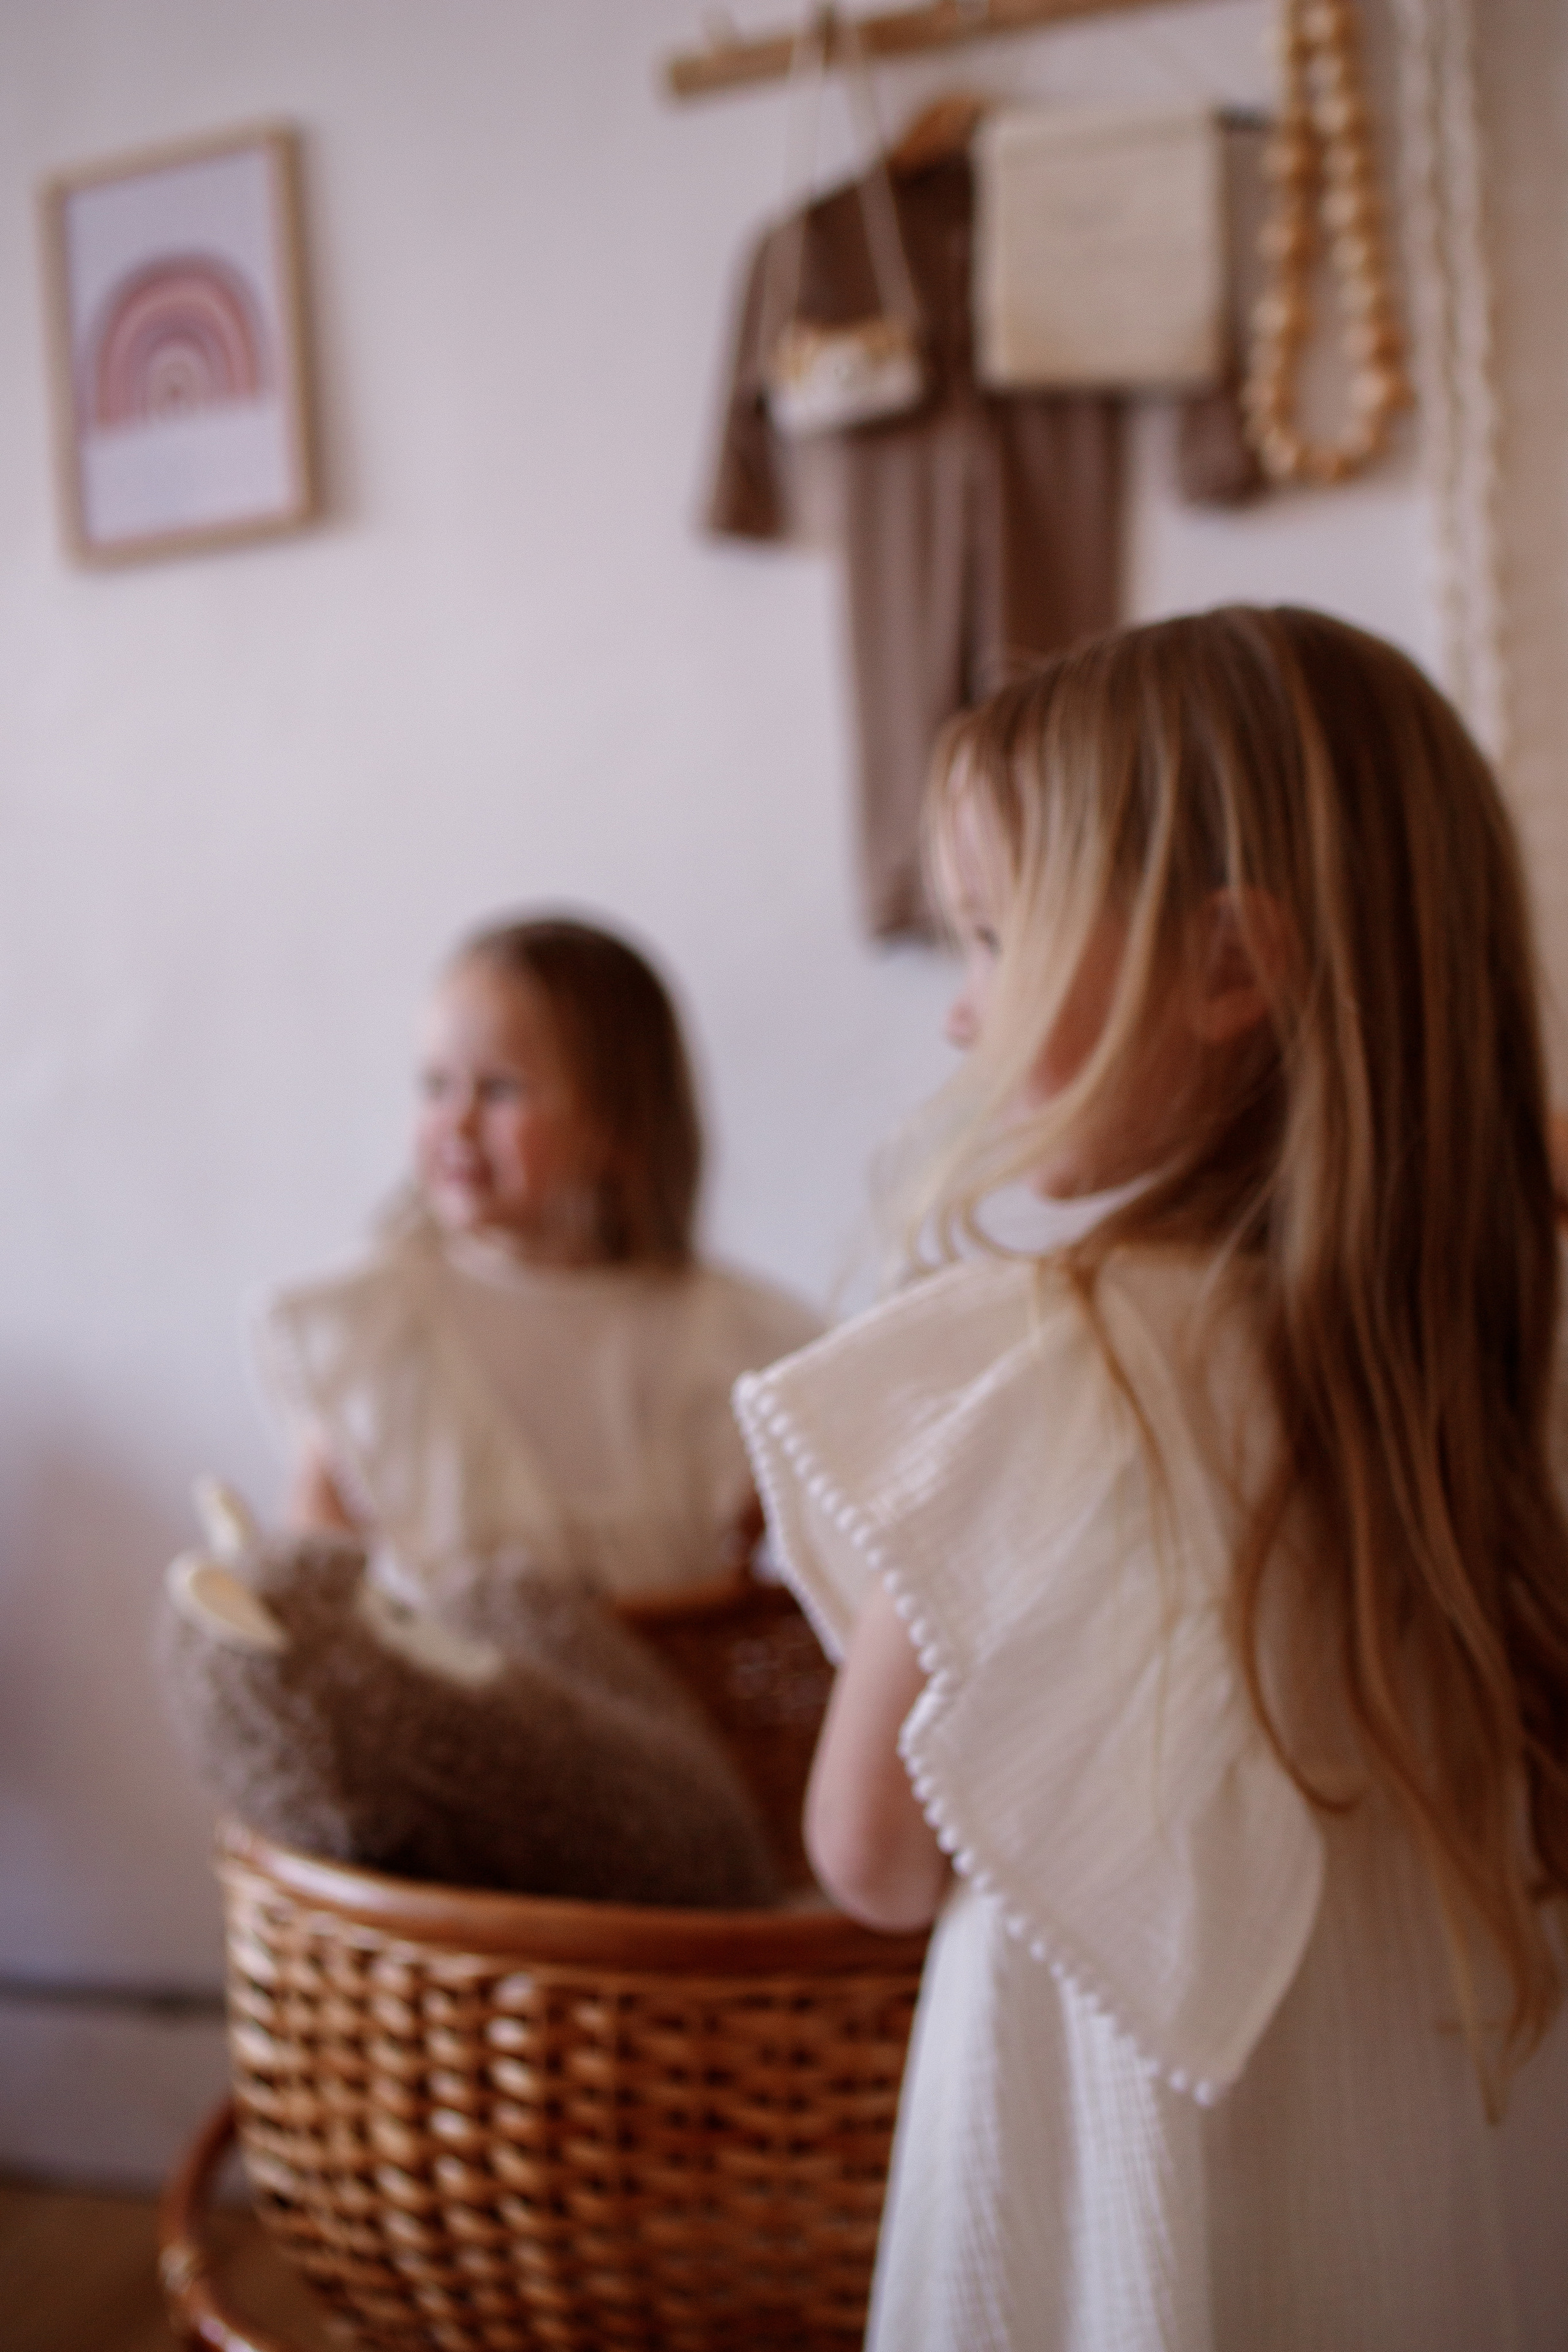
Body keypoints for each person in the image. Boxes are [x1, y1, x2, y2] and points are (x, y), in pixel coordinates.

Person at [734, 607, 1568, 2351]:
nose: (959, 1004)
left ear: (1226, 972)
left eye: (991, 934)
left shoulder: (1046, 1368)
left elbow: (868, 1850)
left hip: (1104, 2173)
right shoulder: (1512, 1341)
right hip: (1454, 2143)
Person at [259, 914, 822, 1606]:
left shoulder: (733, 1343)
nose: (458, 1124)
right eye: (436, 1085)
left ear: (617, 1122)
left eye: (500, 1090)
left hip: (674, 1710)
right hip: (444, 1712)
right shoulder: (372, 1333)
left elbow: (793, 1583)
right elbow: (314, 1605)